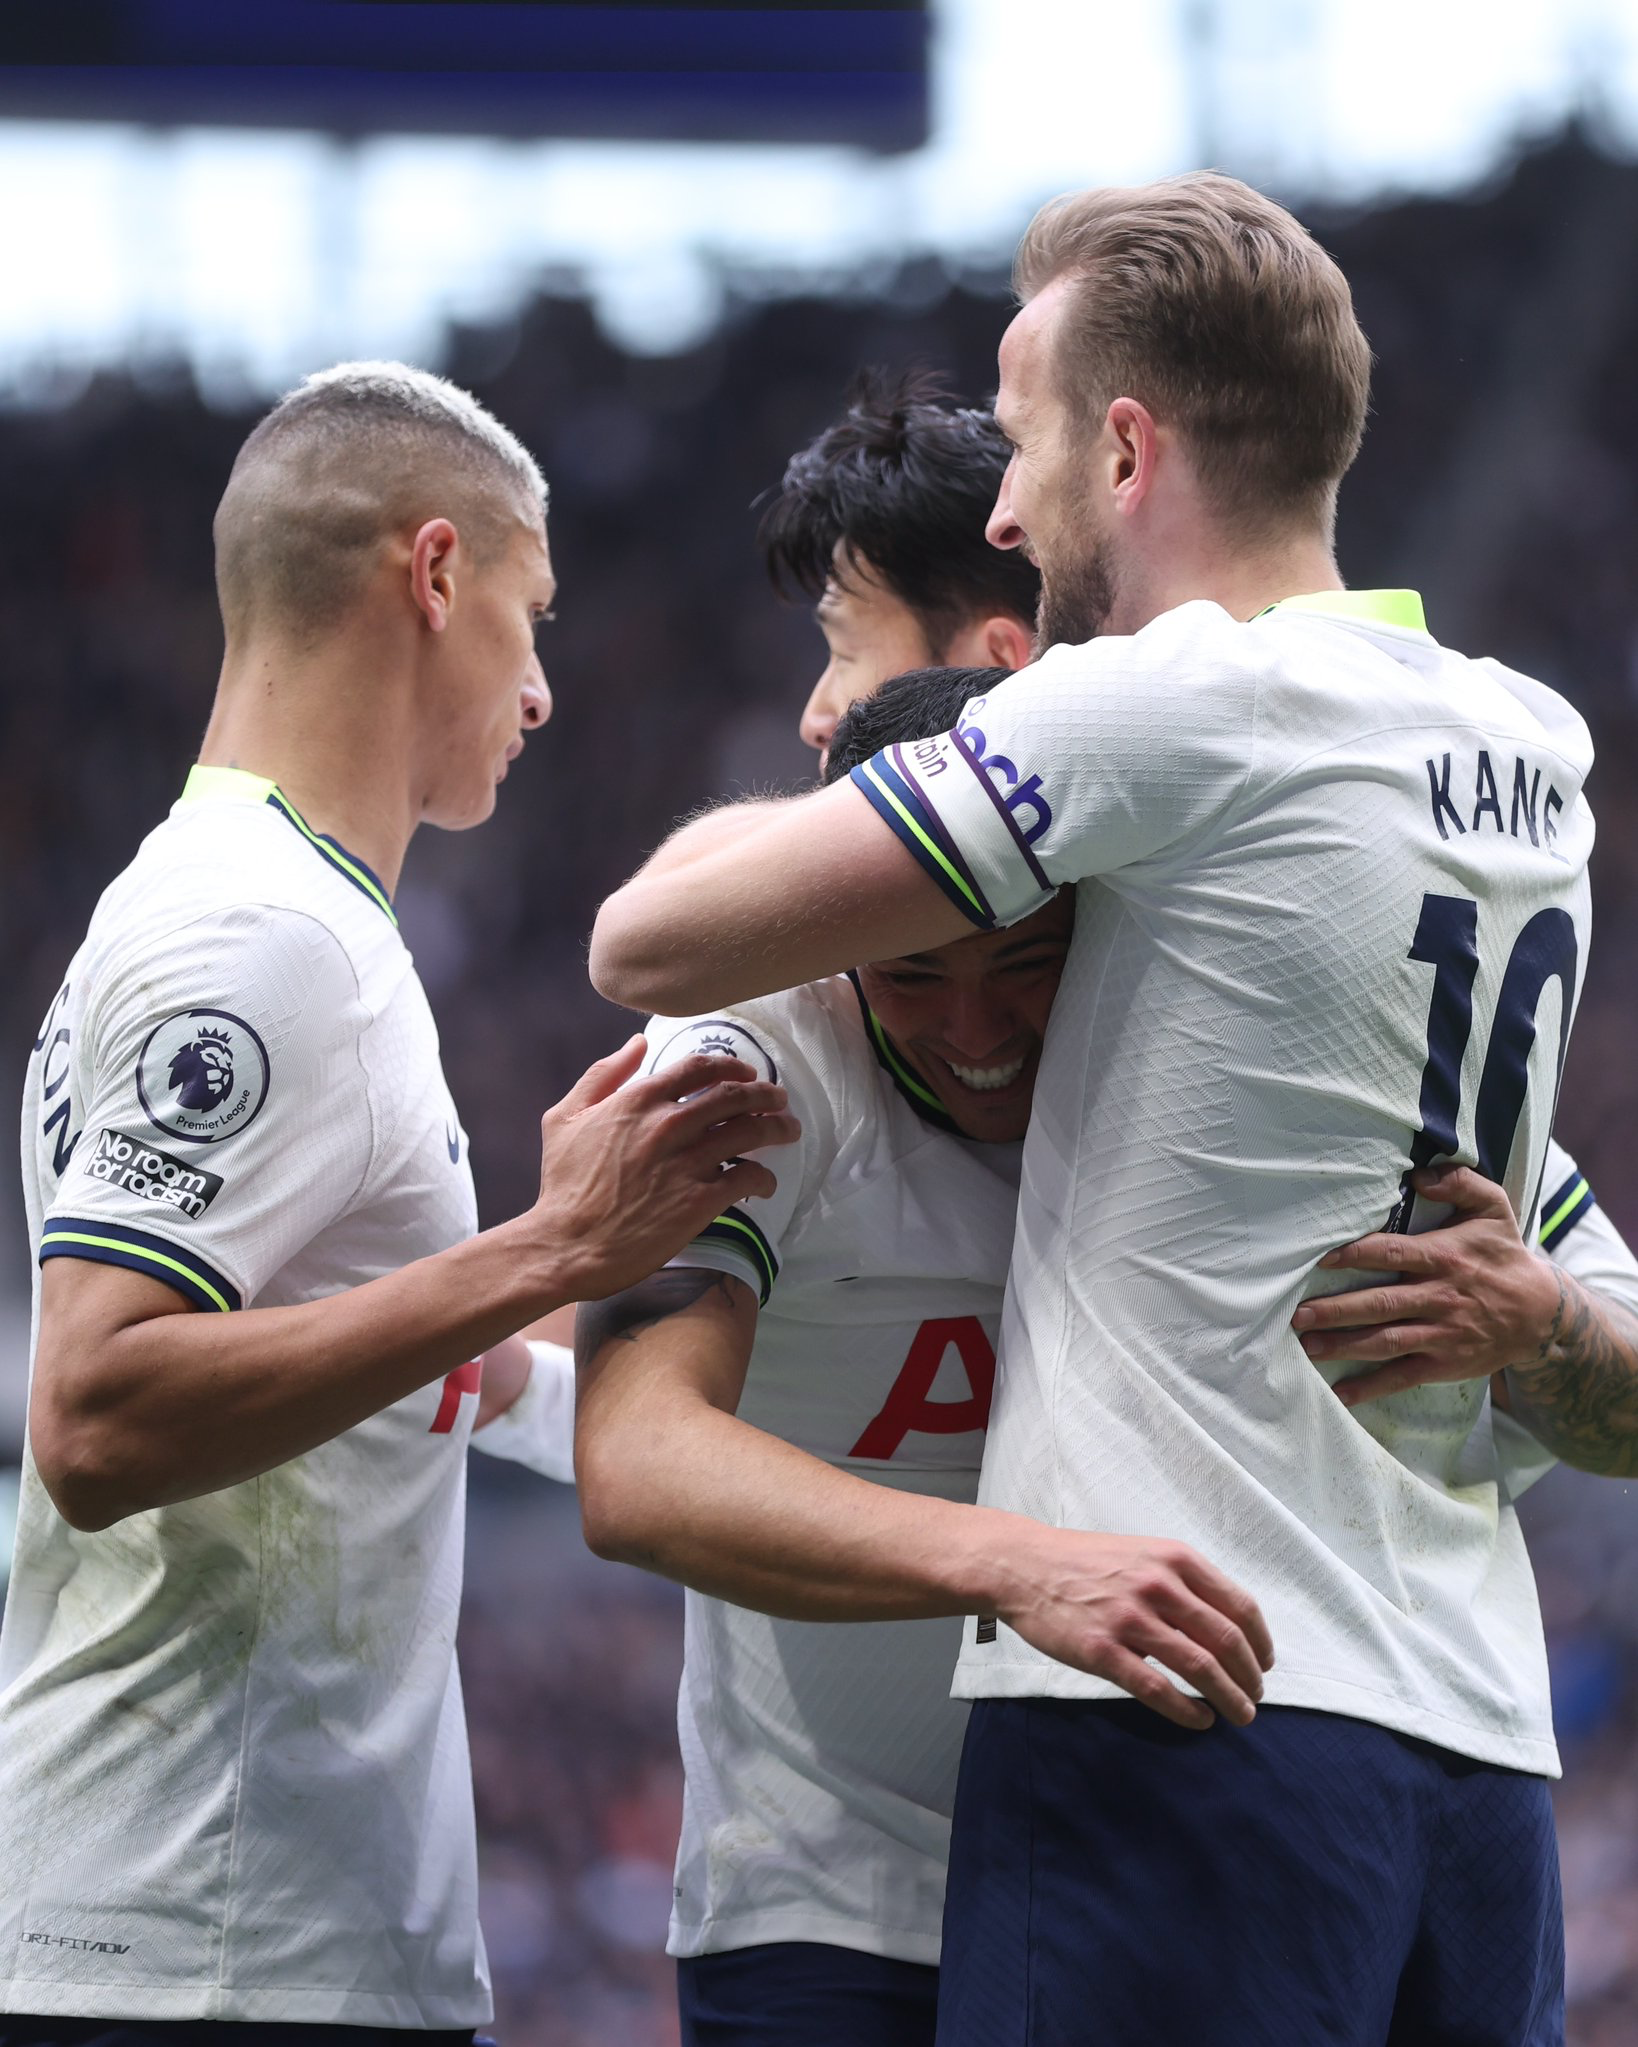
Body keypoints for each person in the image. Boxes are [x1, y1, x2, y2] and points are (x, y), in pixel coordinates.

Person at [589, 175, 1610, 2044]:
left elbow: (641, 939)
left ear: (1125, 450)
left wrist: (911, 744)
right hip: (1470, 1757)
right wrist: (1543, 1322)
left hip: (1186, 1720)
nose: (1005, 506)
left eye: (1028, 435)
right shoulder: (1524, 744)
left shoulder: (1160, 707)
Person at [1, 361, 795, 2047]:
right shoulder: (266, 936)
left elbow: (431, 1374)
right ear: (434, 572)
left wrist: (774, 1436)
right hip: (207, 1944)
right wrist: (548, 1247)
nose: (544, 688)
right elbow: (93, 1408)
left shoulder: (230, 906)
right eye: (533, 612)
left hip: (222, 1938)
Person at [574, 667, 1270, 2047]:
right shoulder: (747, 1055)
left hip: (1148, 1865)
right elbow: (634, 1465)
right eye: (910, 973)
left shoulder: (1204, 1016)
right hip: (827, 1896)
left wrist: (1539, 1324)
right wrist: (1020, 1565)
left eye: (1026, 964)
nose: (973, 1031)